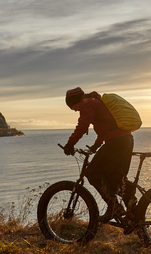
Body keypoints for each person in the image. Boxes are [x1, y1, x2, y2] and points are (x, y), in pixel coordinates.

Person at [63, 87, 136, 223]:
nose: (75, 110)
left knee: (92, 173)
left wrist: (70, 143)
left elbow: (83, 125)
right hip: (126, 140)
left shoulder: (87, 103)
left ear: (75, 101)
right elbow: (107, 128)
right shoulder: (96, 102)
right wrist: (96, 146)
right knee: (117, 179)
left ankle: (114, 207)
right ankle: (135, 215)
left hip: (116, 142)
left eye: (73, 107)